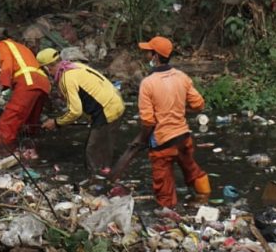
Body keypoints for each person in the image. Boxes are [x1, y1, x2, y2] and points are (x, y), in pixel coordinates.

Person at [109, 36, 210, 208]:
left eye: (148, 52)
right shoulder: (181, 76)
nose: (146, 55)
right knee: (192, 169)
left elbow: (148, 122)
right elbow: (199, 104)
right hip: (183, 138)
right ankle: (204, 198)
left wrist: (141, 140)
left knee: (163, 184)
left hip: (163, 143)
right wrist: (179, 111)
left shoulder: (148, 83)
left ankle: (168, 215)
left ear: (155, 56)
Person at [37, 49, 124, 173]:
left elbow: (75, 111)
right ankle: (107, 170)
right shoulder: (75, 66)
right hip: (116, 102)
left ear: (46, 68)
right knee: (105, 145)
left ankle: (96, 180)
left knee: (93, 150)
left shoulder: (66, 79)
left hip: (105, 111)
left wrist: (56, 122)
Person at [0, 28, 51, 150]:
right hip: (42, 83)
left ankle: (3, 152)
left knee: (7, 122)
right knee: (30, 122)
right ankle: (31, 150)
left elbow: (7, 65)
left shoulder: (2, 45)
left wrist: (1, 85)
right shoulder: (20, 47)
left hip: (28, 82)